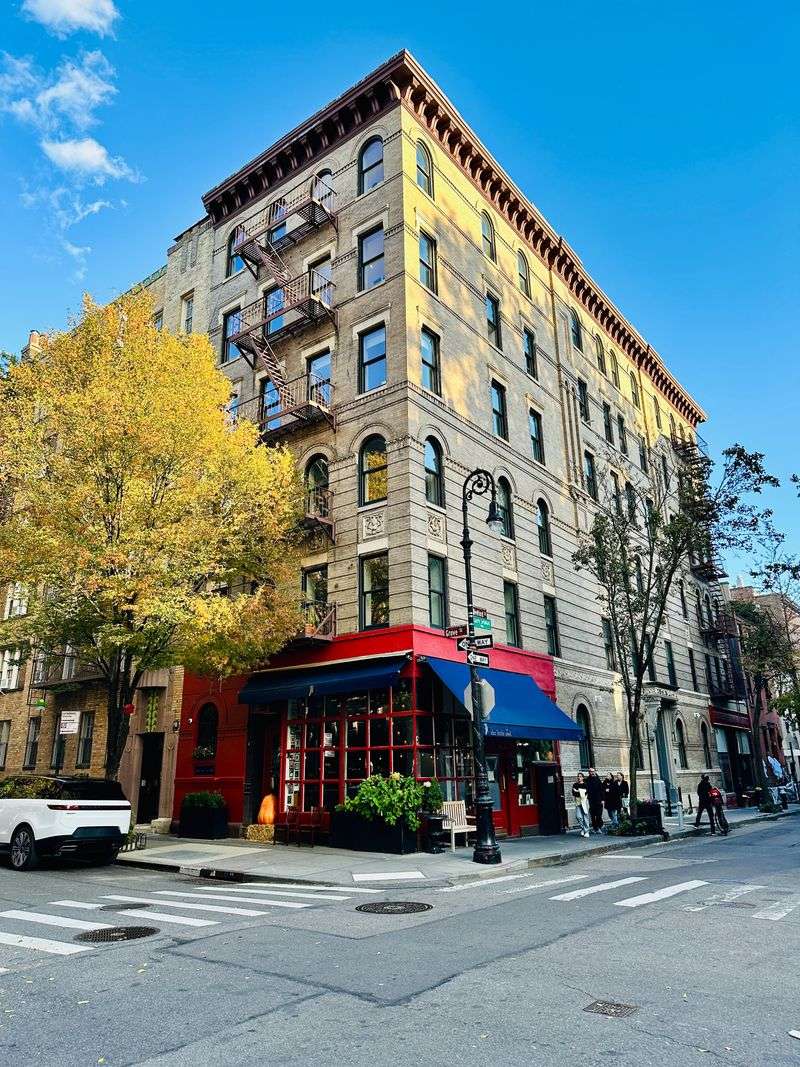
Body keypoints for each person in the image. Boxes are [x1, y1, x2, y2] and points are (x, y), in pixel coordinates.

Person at [586, 767, 604, 833]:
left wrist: (602, 799)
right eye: (591, 771)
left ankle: (599, 826)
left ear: (595, 772)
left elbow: (601, 790)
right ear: (589, 773)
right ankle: (595, 828)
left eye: (593, 771)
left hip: (598, 800)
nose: (592, 772)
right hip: (591, 800)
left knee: (599, 814)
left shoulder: (598, 779)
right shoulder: (587, 780)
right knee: (593, 815)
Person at [572, 772, 590, 838]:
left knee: (585, 817)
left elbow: (585, 793)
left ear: (583, 777)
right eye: (578, 776)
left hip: (584, 802)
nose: (579, 778)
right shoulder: (575, 784)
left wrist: (578, 791)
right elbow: (574, 793)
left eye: (580, 776)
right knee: (578, 816)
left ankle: (587, 831)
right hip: (578, 802)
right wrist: (579, 791)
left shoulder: (585, 784)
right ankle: (583, 828)